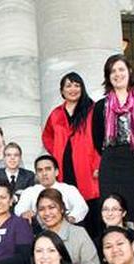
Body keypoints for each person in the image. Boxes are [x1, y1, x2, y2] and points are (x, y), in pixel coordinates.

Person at [92, 54, 134, 222]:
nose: (117, 74)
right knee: (113, 210)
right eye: (113, 71)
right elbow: (97, 139)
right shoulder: (100, 106)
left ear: (130, 72)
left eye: (121, 69)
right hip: (112, 165)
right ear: (108, 76)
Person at [43, 72, 101, 236]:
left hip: (88, 170)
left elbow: (101, 138)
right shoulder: (56, 113)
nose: (73, 89)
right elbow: (47, 135)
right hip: (64, 170)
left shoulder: (93, 109)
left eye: (77, 85)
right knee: (68, 211)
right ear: (62, 91)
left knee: (92, 216)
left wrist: (97, 163)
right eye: (68, 85)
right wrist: (56, 151)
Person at [37, 189, 99, 264]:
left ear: (62, 209)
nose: (47, 213)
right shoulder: (39, 238)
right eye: (41, 209)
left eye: (51, 207)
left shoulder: (78, 233)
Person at [15, 155, 88, 224]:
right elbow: (19, 209)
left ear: (56, 172)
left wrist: (71, 218)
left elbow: (81, 206)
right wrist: (24, 214)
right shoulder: (29, 191)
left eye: (48, 169)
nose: (44, 173)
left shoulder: (68, 189)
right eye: (40, 170)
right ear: (36, 174)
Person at [95, 193, 134, 264]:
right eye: (105, 209)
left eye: (114, 209)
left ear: (124, 213)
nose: (109, 213)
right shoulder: (97, 242)